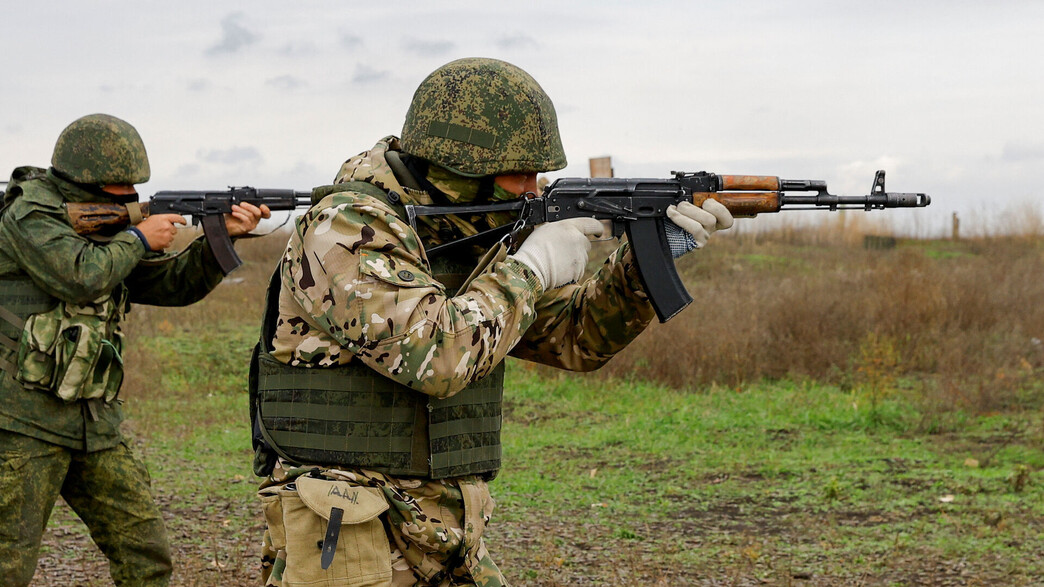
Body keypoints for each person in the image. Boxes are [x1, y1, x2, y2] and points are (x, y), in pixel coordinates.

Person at [250, 57, 733, 586]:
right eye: (518, 173)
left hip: (443, 525)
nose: (533, 188)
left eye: (537, 171)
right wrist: (530, 268)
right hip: (349, 523)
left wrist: (643, 264)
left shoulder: (468, 229)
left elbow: (574, 338)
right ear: (457, 169)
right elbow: (437, 356)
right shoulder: (345, 228)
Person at [0, 113, 270, 586]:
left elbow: (168, 285)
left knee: (146, 557)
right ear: (85, 183)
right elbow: (80, 276)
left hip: (93, 422)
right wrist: (138, 238)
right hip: (21, 422)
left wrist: (219, 238)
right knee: (8, 565)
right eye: (119, 187)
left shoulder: (108, 236)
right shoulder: (30, 214)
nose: (130, 197)